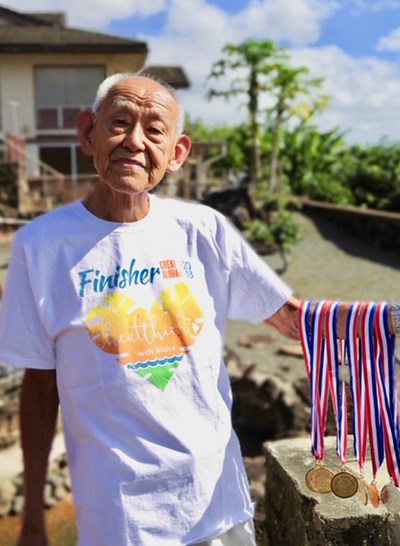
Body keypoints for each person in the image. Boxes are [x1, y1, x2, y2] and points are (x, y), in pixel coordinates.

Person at [0, 72, 395, 546]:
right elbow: (40, 389)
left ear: (177, 154)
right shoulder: (41, 247)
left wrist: (388, 319)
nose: (134, 141)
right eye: (119, 122)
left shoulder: (202, 229)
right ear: (89, 133)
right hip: (122, 520)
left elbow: (291, 317)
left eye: (154, 130)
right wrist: (35, 521)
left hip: (219, 506)